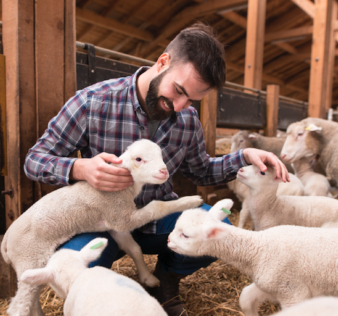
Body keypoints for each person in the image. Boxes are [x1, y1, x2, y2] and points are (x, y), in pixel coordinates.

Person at [24, 23, 289, 316]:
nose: (179, 106)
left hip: (156, 219)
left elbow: (201, 171)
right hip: (102, 221)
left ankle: (167, 280)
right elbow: (35, 160)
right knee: (72, 262)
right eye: (178, 91)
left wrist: (243, 156)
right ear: (163, 62)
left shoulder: (187, 119)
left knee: (219, 231)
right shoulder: (93, 102)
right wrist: (79, 168)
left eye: (191, 100)